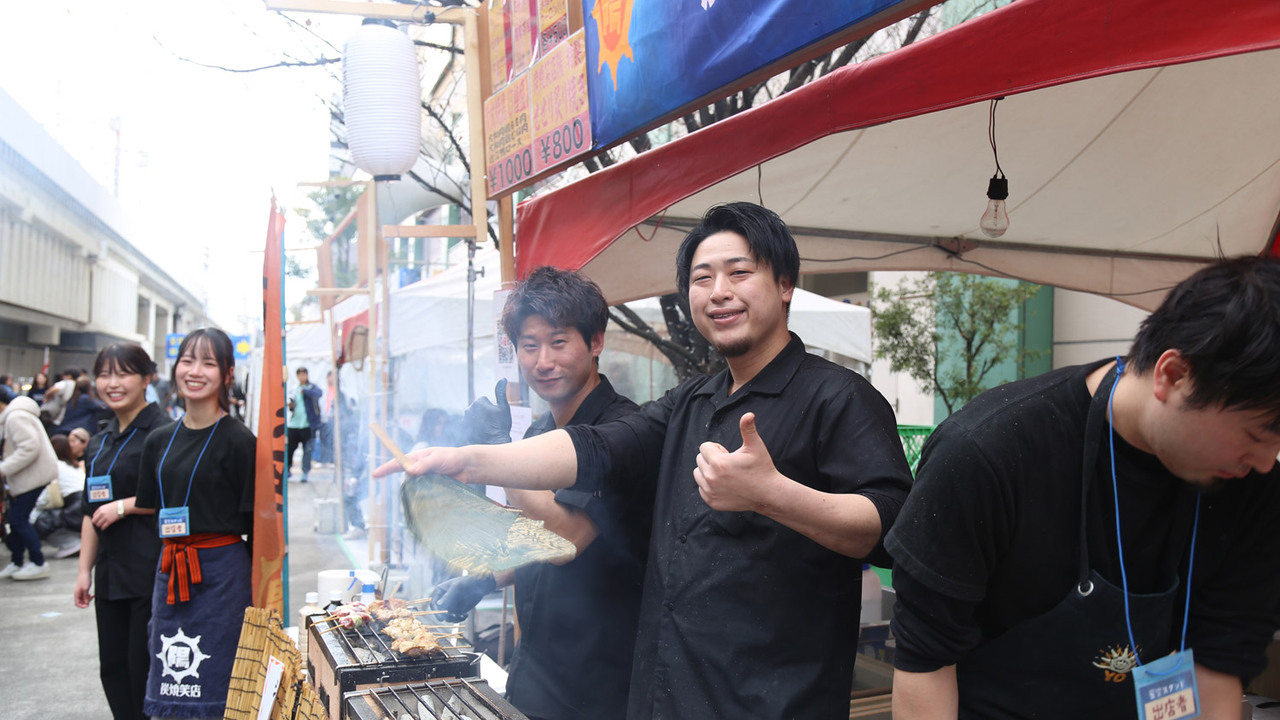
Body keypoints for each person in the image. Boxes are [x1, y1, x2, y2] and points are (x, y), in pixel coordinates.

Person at [378, 202, 914, 718]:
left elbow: (890, 526)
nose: (719, 292)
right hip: (666, 692)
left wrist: (774, 495)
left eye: (739, 273)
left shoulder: (838, 398)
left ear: (785, 284)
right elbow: (599, 446)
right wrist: (469, 459)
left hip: (772, 701)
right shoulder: (692, 401)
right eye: (702, 279)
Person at [886, 256, 1280, 720]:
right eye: (1255, 435)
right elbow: (926, 666)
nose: (1264, 461)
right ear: (1173, 376)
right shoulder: (987, 454)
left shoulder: (1253, 483)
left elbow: (1217, 667)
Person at [431, 266, 650, 720]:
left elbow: (565, 538)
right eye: (529, 346)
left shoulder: (622, 433)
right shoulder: (539, 430)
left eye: (558, 342)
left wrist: (499, 452)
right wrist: (489, 578)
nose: (543, 361)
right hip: (536, 667)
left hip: (597, 682)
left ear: (595, 342)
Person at [135, 328, 256, 719]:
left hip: (222, 575)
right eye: (187, 360)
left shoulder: (240, 441)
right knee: (169, 673)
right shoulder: (158, 440)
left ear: (227, 373)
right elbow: (153, 510)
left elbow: (256, 522)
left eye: (208, 362)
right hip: (170, 571)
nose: (195, 371)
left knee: (219, 673)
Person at [74, 343, 167, 719]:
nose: (112, 383)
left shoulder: (163, 433)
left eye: (123, 373)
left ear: (147, 378)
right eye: (104, 374)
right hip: (109, 575)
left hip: (149, 572)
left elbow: (177, 498)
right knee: (111, 669)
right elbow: (89, 510)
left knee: (141, 670)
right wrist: (84, 570)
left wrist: (124, 506)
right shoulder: (98, 441)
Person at [0, 384, 59, 580]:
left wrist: (3, 468)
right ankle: (17, 562)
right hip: (29, 477)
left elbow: (29, 448)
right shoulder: (15, 415)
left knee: (18, 520)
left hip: (32, 477)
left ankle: (38, 562)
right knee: (17, 520)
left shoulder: (15, 417)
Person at [32, 432, 88, 557]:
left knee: (40, 522)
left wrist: (32, 513)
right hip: (84, 505)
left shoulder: (55, 466)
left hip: (76, 507)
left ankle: (70, 543)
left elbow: (44, 496)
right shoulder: (72, 466)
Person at [285, 366, 322, 483]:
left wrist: (305, 391)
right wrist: (291, 405)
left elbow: (318, 393)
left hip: (308, 425)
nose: (302, 377)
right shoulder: (294, 389)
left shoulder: (311, 388)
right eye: (300, 375)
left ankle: (305, 472)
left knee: (307, 451)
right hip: (294, 424)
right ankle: (287, 469)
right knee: (290, 449)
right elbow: (291, 401)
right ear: (297, 376)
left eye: (304, 374)